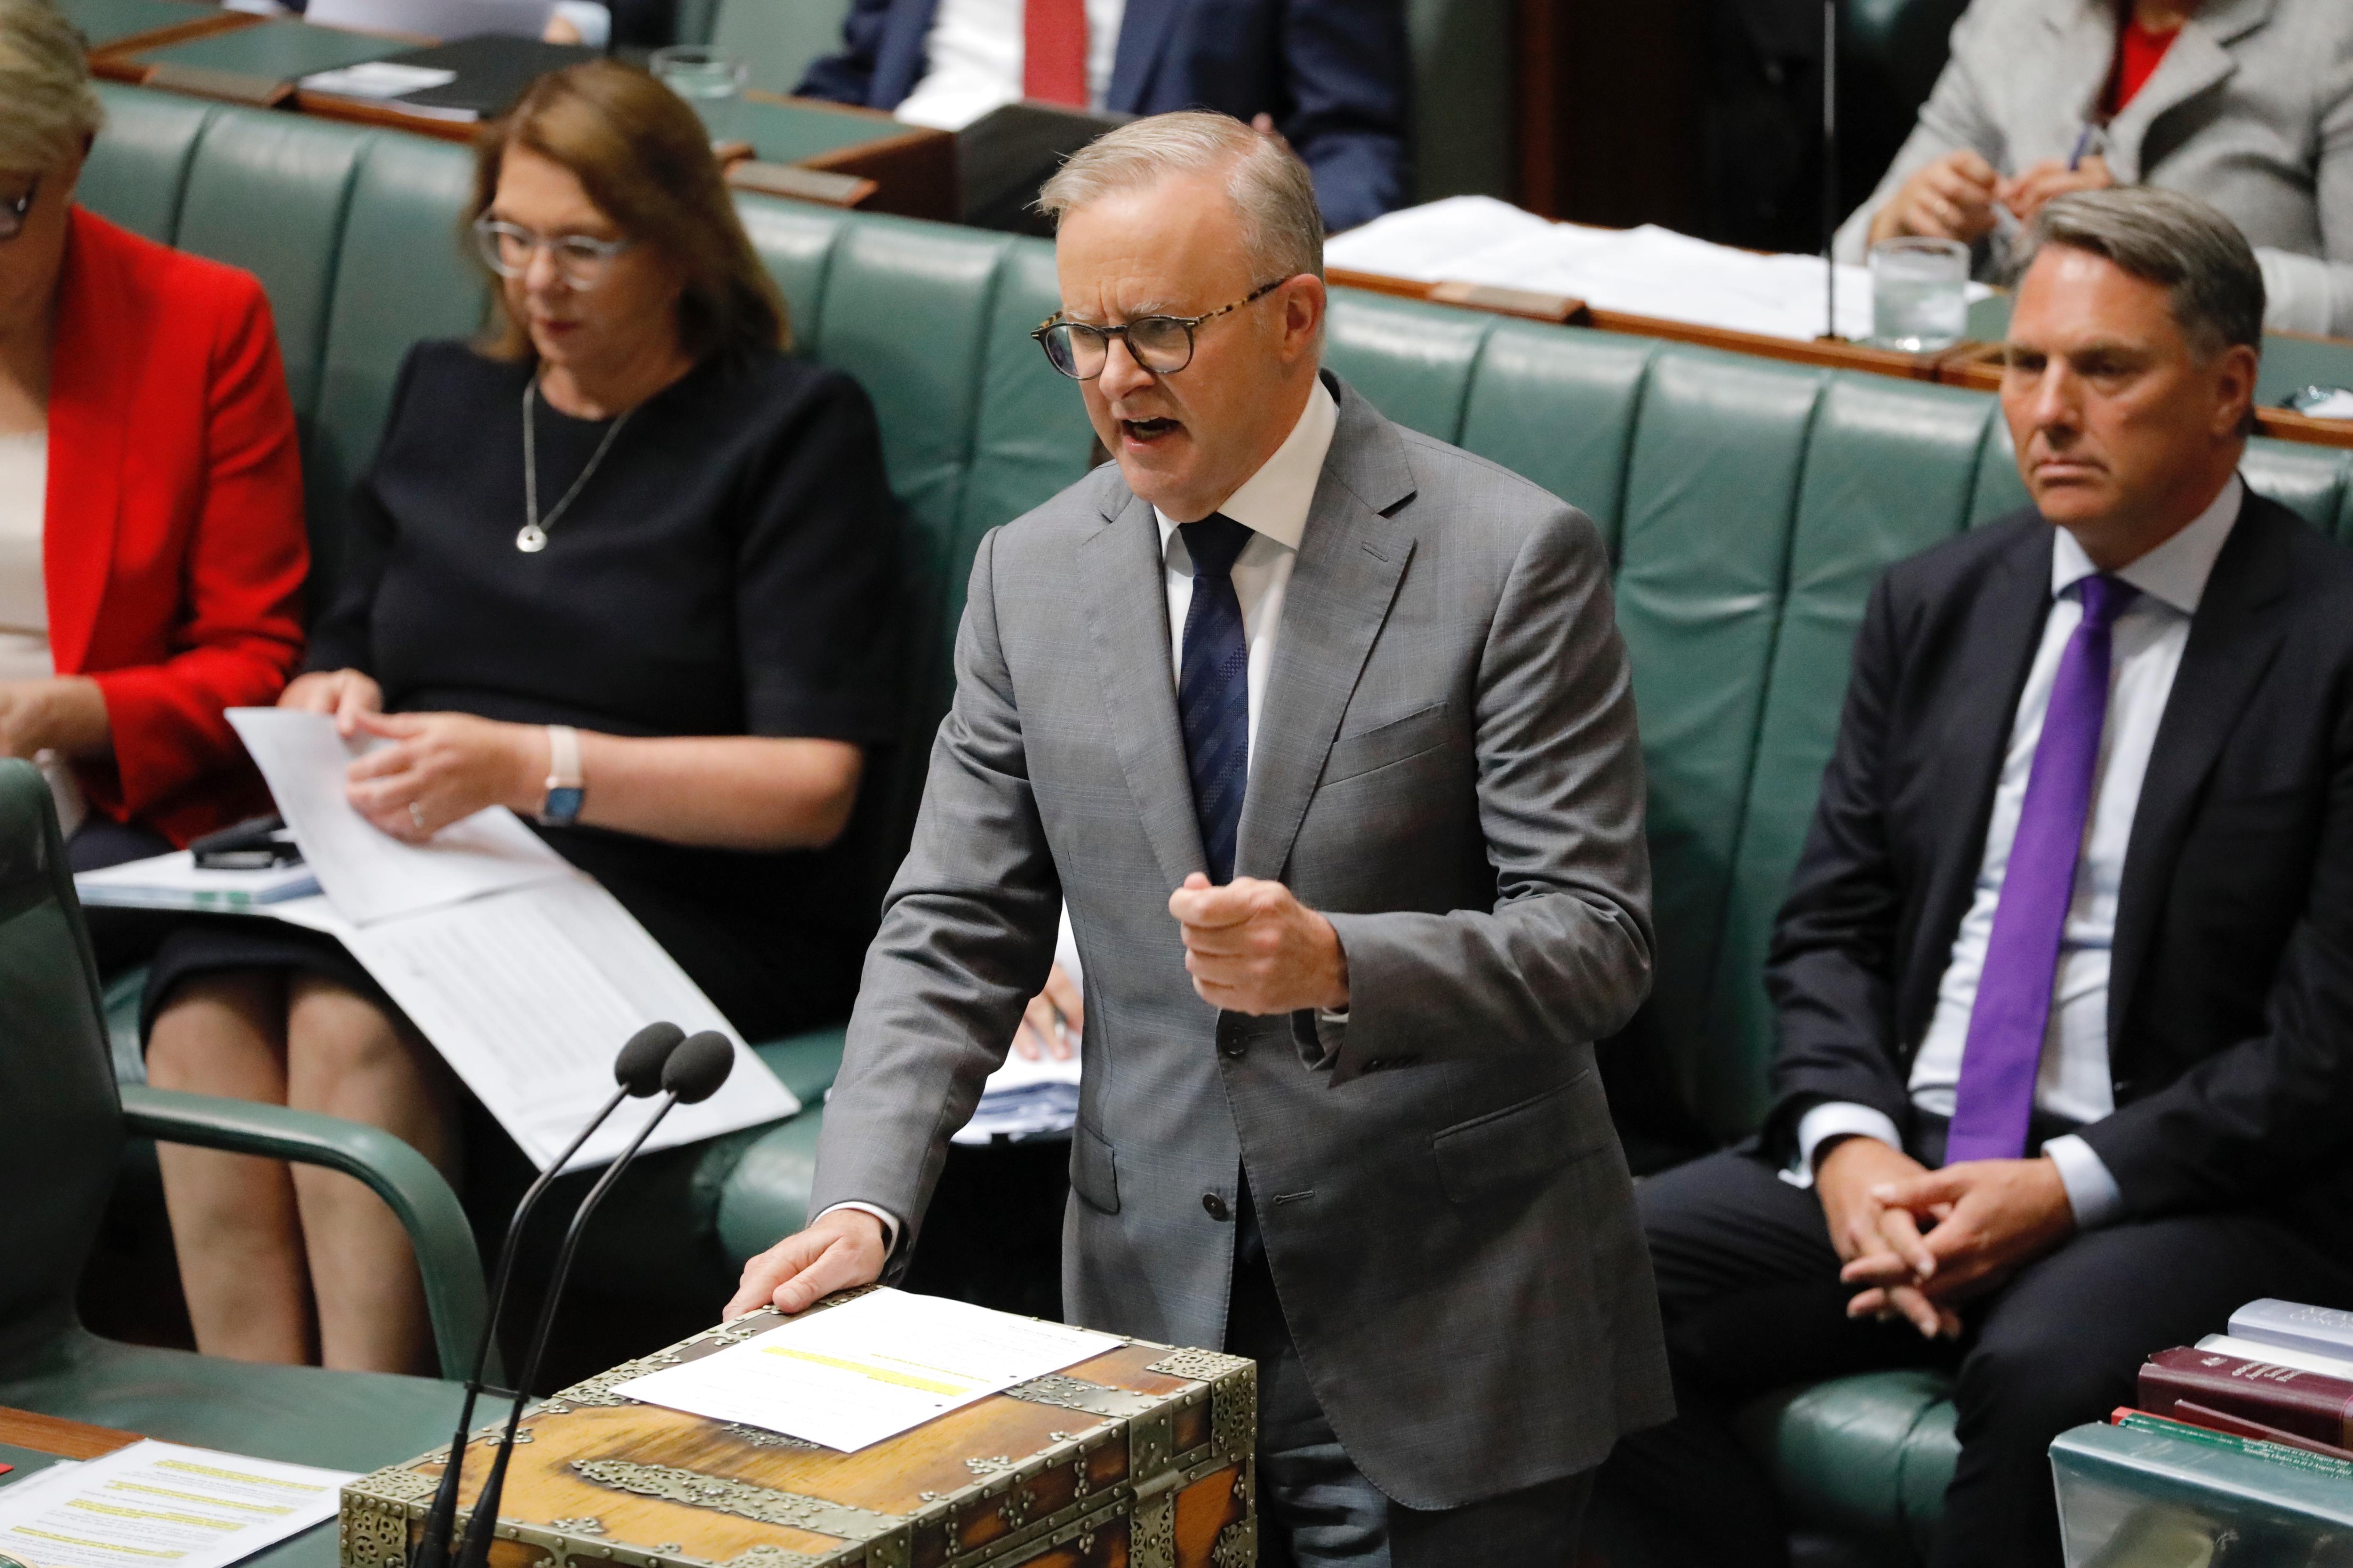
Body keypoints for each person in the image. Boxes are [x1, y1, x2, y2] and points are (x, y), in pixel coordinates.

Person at [728, 110, 1670, 1567]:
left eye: (1156, 333)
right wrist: (863, 1195)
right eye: (1080, 337)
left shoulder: (1502, 560)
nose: (1111, 382)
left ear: (1294, 317)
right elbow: (952, 925)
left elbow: (1593, 943)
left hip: (1444, 1322)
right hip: (1148, 1321)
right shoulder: (1030, 576)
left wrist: (1336, 962)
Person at [1595, 187, 2353, 1568]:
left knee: (2050, 1369)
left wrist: (2057, 1189)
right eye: (2024, 363)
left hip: (2166, 1187)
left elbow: (2320, 1053)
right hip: (1907, 1147)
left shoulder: (2326, 645)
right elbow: (1826, 927)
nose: (2048, 409)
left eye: (2103, 370)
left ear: (2227, 389)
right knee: (1575, 1278)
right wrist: (1848, 1146)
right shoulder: (1939, 601)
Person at [142, 60, 900, 1377]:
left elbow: (811, 786)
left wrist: (530, 767)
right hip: (431, 861)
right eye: (512, 237)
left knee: (343, 1019)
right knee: (199, 1006)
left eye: (583, 247)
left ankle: (379, 1443)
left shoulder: (786, 428)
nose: (537, 282)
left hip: (682, 885)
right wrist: (342, 685)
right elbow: (359, 625)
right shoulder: (452, 392)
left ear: (676, 244)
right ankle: (257, 1429)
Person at [0, 0, 305, 936]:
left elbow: (255, 661)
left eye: (0, 208)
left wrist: (61, 711)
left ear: (77, 156)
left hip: (88, 779)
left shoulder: (200, 326)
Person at [1833, 0, 2353, 338]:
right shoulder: (2011, 16)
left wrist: (2161, 251)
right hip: (2004, 381)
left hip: (2224, 413)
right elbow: (1851, 253)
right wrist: (1904, 226)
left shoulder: (2331, 36)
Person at [794, 0, 1409, 234]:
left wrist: (1285, 211)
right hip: (897, 209)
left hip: (1143, 237)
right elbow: (857, 75)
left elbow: (1353, 141)